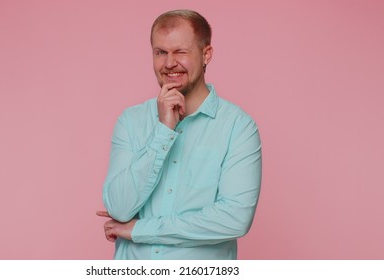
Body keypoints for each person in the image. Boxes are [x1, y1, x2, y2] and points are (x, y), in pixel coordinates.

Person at [96, 9, 262, 260]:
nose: (169, 63)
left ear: (206, 54)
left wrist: (142, 229)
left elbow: (234, 219)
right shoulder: (130, 121)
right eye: (160, 52)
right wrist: (162, 131)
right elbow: (118, 208)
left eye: (180, 52)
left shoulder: (238, 127)